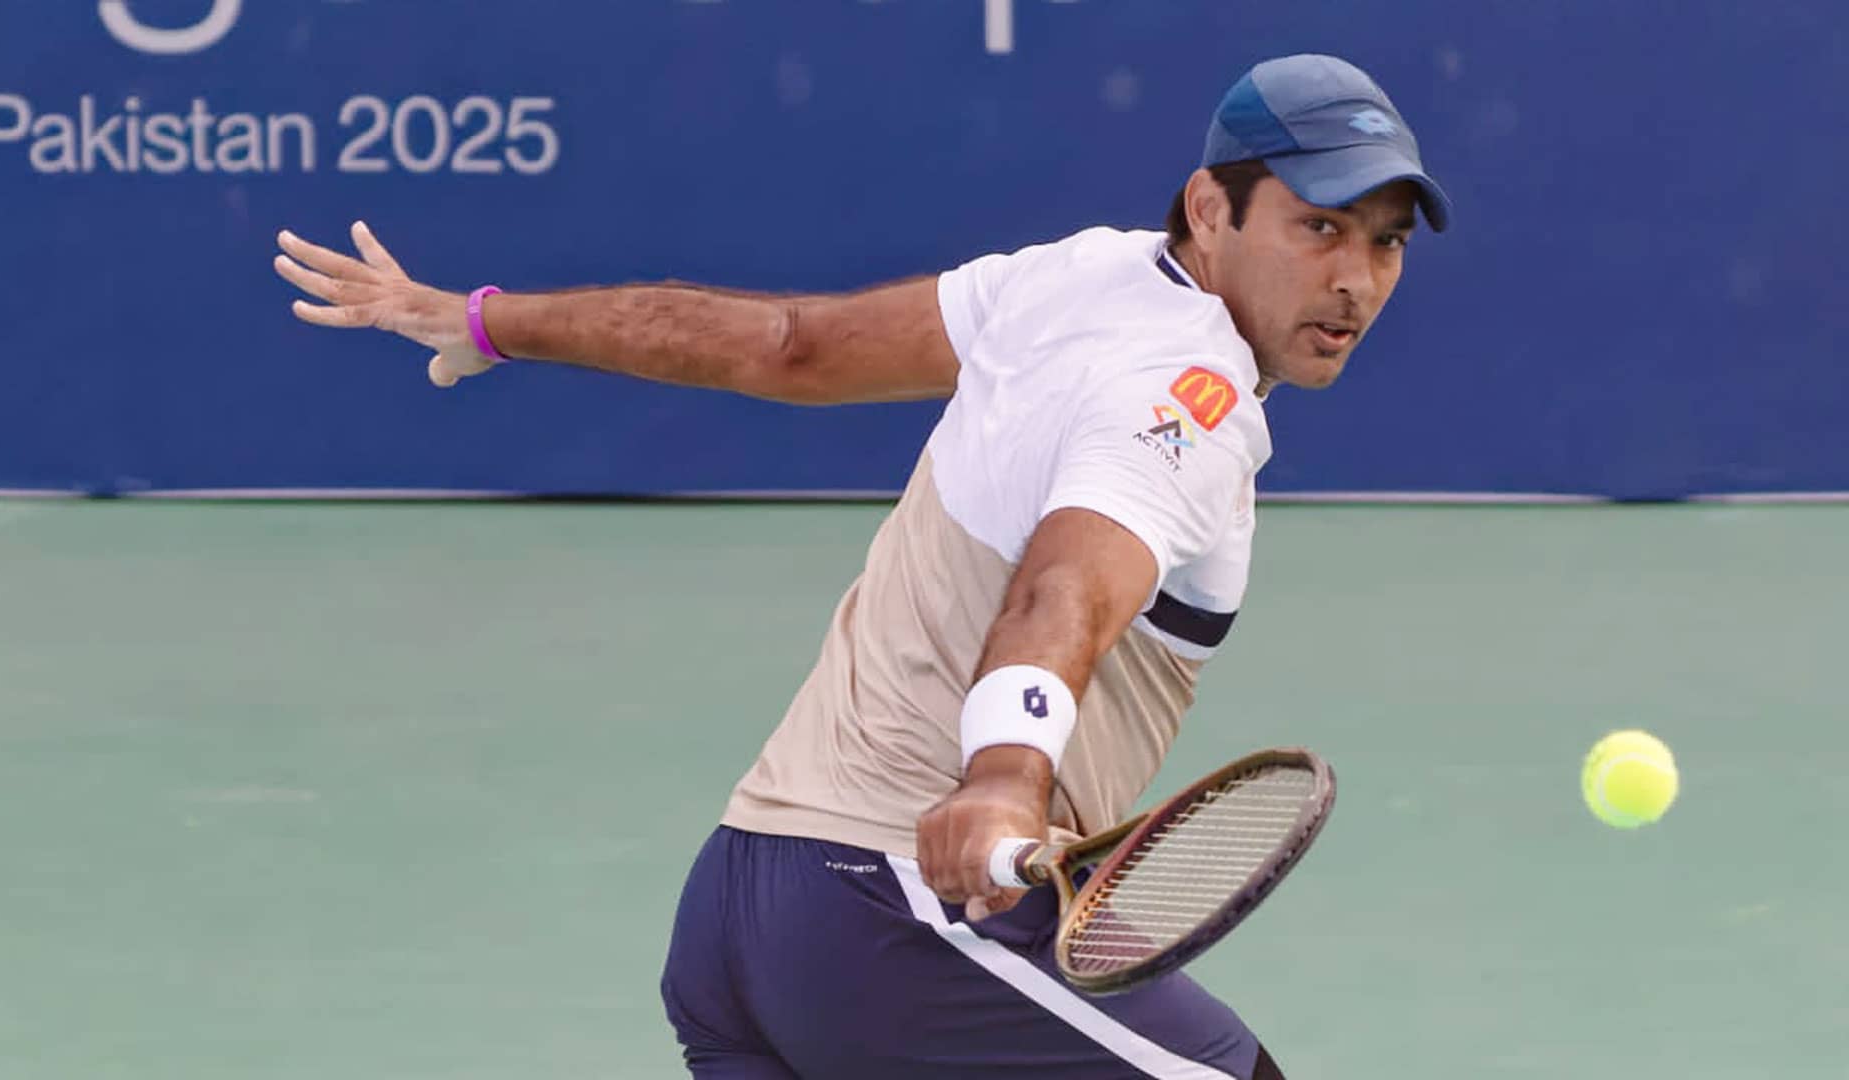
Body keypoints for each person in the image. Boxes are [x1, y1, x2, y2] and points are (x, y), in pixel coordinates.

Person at [273, 52, 1450, 1080]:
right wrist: (1003, 776)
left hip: (738, 915)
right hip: (890, 923)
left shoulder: (1070, 278)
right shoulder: (1187, 400)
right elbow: (1067, 587)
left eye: (1385, 242)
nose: (1356, 280)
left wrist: (490, 322)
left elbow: (789, 346)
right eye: (1320, 228)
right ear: (1211, 208)